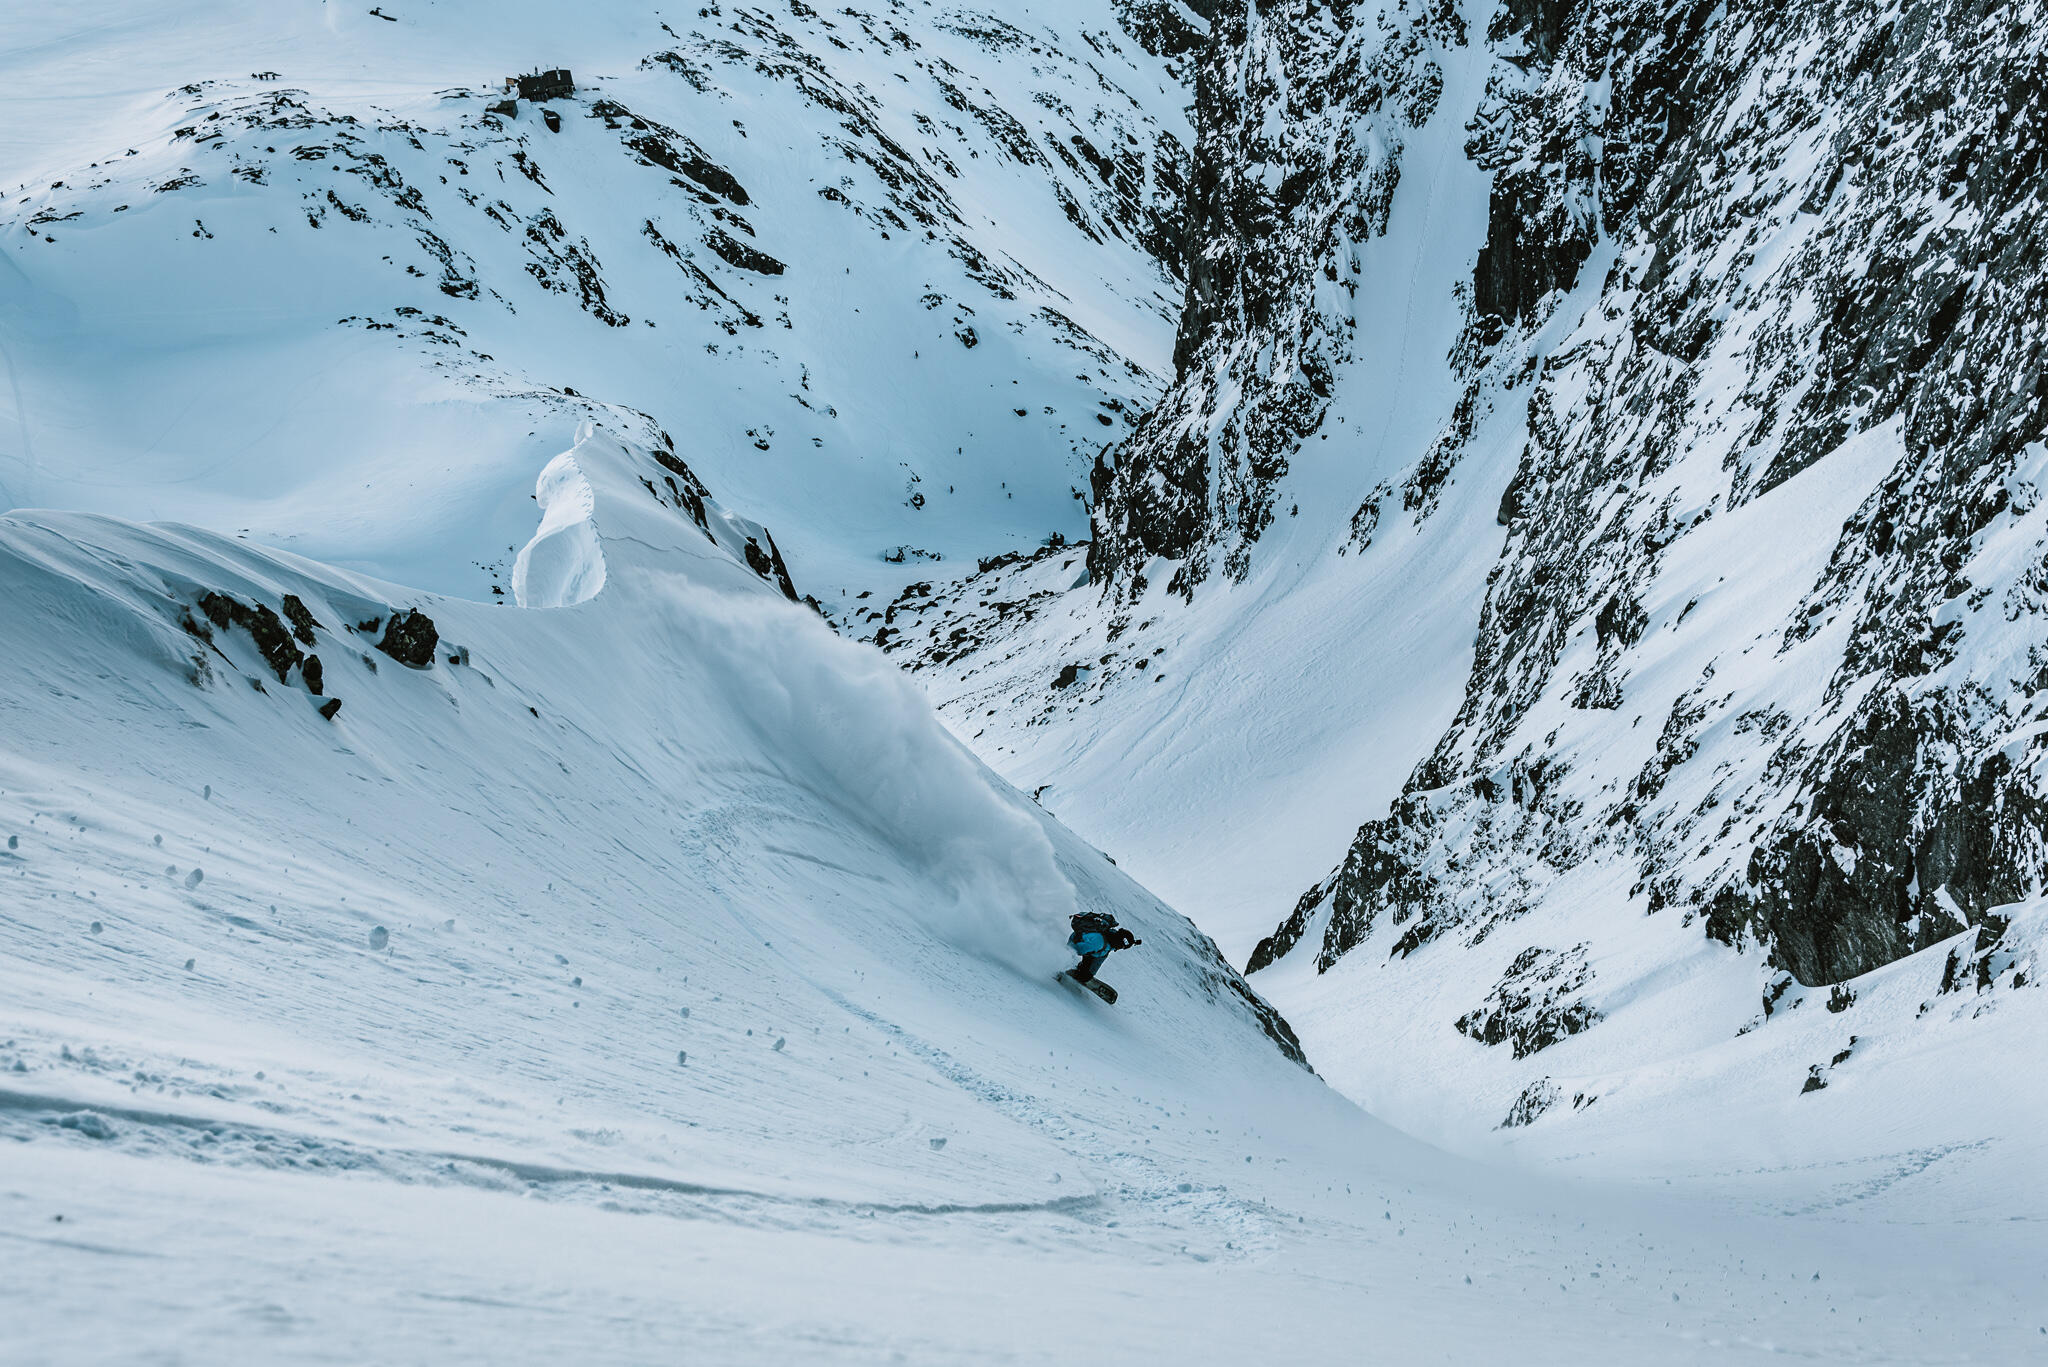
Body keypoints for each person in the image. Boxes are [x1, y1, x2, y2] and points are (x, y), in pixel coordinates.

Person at [1067, 911, 1139, 982]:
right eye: (1122, 947)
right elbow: (1077, 949)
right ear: (1119, 942)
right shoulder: (1100, 942)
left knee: (1090, 971)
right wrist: (1066, 958)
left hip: (1094, 950)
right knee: (1085, 976)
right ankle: (1071, 972)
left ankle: (1083, 971)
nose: (1120, 948)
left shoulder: (1110, 942)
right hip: (1077, 941)